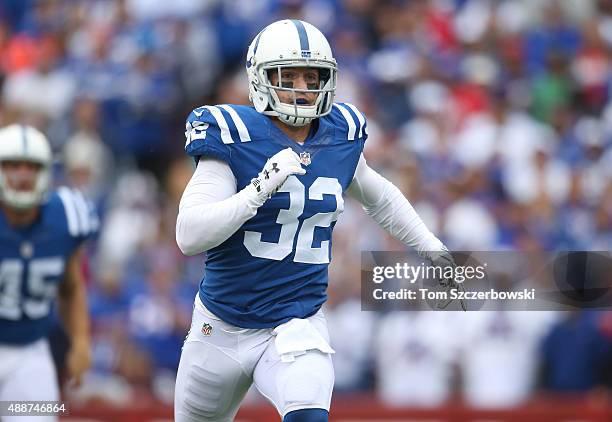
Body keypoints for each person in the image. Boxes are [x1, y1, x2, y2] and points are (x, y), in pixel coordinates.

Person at [174, 19, 457, 422]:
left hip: (296, 322)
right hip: (220, 328)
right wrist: (256, 191)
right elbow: (189, 236)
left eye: (312, 77)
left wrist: (430, 247)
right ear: (259, 78)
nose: (302, 89)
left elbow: (379, 196)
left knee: (308, 413)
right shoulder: (232, 136)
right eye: (287, 76)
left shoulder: (340, 134)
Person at [0, 124, 98, 421]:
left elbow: (70, 287)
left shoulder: (67, 217)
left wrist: (80, 341)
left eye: (31, 167)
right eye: (13, 165)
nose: (22, 175)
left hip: (31, 352)